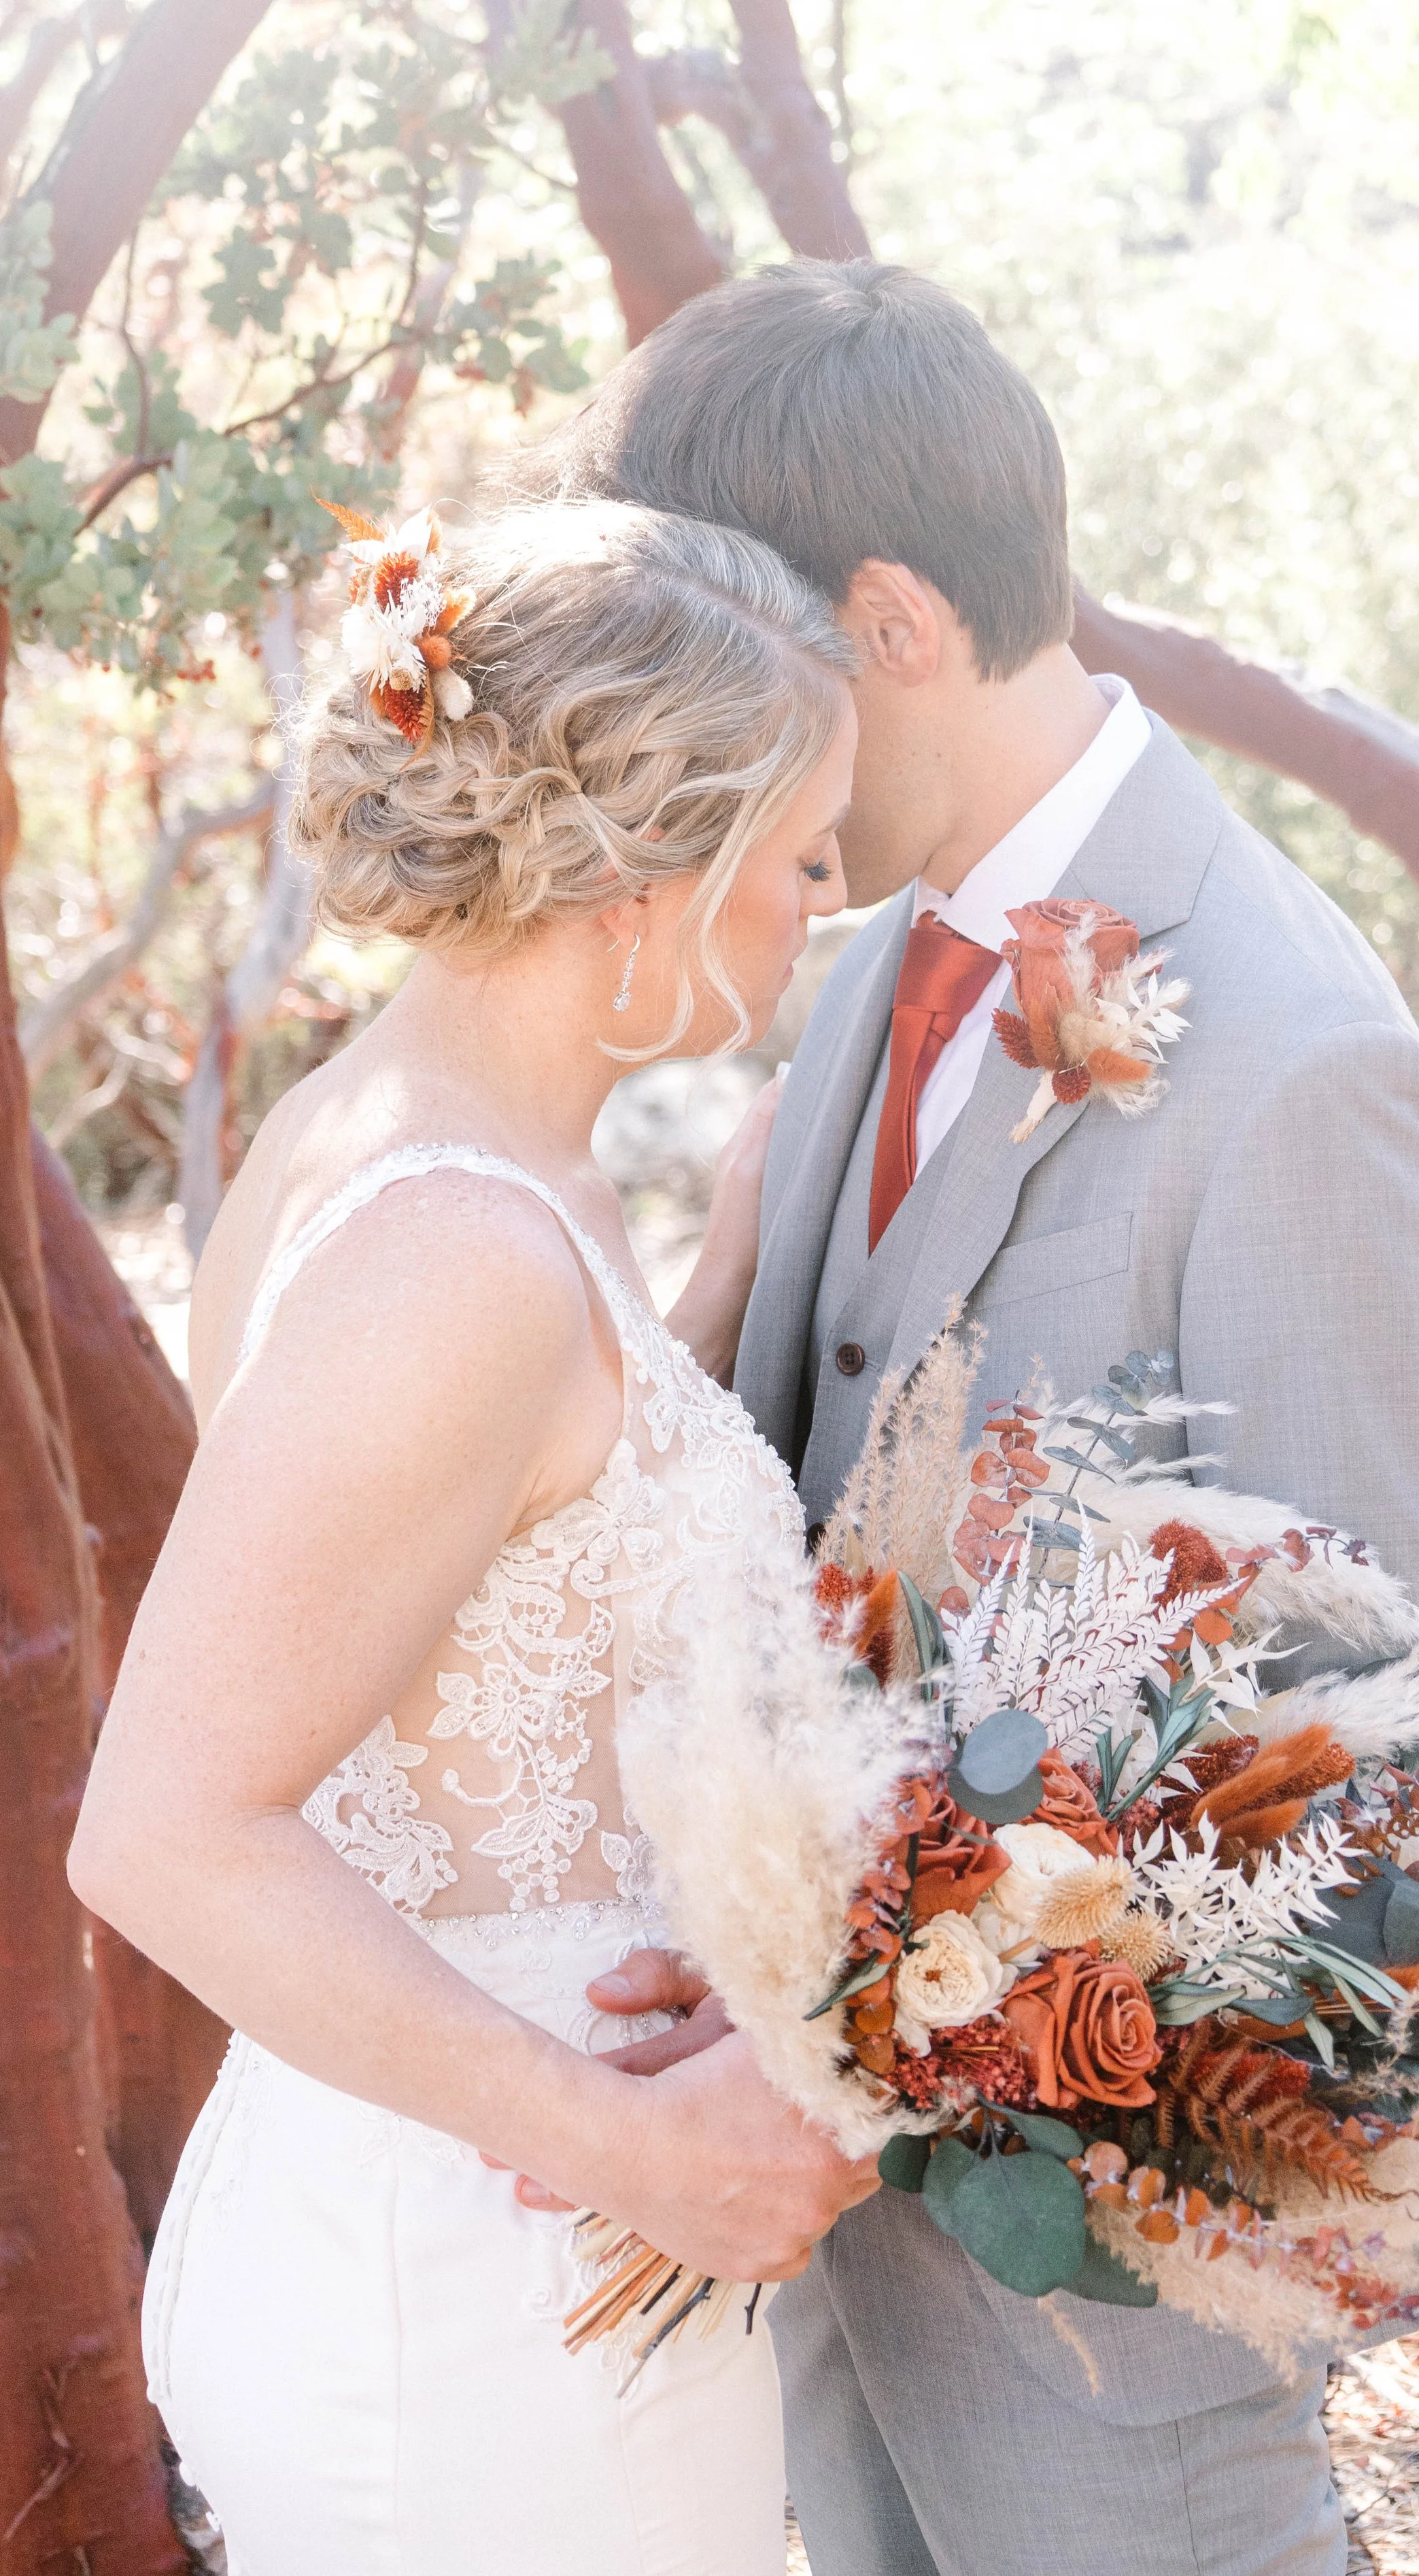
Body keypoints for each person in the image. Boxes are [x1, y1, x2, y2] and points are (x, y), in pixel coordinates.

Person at [545, 258, 1419, 2576]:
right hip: (822, 2288)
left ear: (882, 625)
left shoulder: (1297, 1069)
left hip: (1117, 2353)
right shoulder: (866, 960)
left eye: (724, 665)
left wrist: (874, 2055)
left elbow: (1348, 1783)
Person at [67, 498, 880, 2576]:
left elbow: (512, 1529)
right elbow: (158, 1826)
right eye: (797, 859)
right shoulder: (458, 1252)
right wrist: (629, 2142)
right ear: (645, 876)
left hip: (486, 2223)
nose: (821, 908)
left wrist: (713, 1287)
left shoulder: (415, 1149)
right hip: (479, 2275)